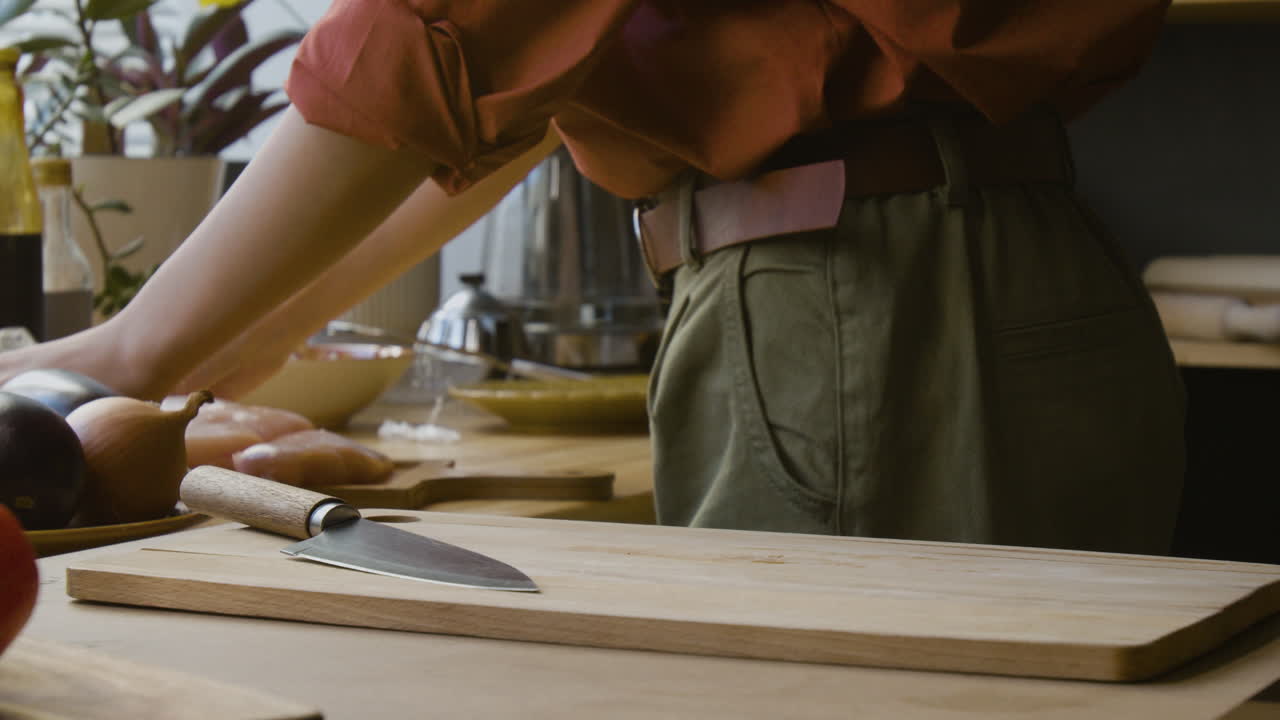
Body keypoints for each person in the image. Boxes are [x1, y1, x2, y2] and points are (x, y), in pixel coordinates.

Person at [0, 0, 1185, 555]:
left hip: (860, 307)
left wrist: (128, 349)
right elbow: (518, 94)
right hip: (990, 267)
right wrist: (257, 328)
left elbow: (436, 33)